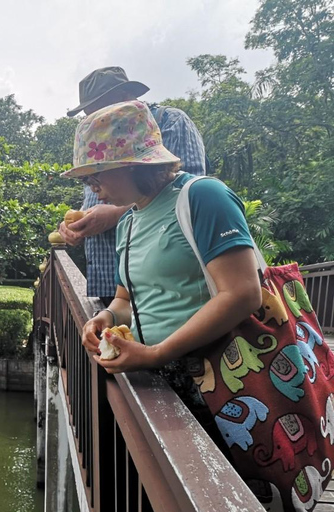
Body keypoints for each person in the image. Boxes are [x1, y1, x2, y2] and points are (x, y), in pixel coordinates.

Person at [62, 100, 261, 404]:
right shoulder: (128, 220)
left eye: (96, 174)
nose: (92, 187)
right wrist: (107, 315)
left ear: (132, 164)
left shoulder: (203, 196)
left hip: (218, 381)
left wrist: (156, 353)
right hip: (159, 384)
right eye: (86, 179)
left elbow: (243, 293)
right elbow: (127, 299)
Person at [59, 67, 206, 307]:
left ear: (127, 96)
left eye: (100, 110)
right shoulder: (98, 144)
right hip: (112, 282)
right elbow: (97, 200)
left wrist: (116, 214)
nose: (95, 122)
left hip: (165, 287)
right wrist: (77, 224)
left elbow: (188, 192)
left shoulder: (171, 122)